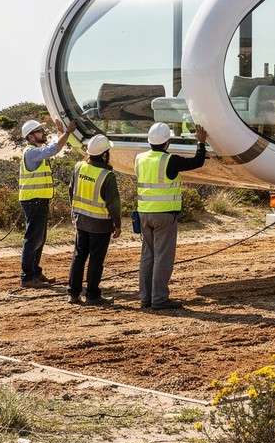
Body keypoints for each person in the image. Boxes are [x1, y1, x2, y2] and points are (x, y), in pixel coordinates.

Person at [135, 121, 208, 310]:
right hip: (164, 216)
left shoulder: (140, 159)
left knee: (147, 256)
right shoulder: (170, 160)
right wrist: (201, 142)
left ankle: (146, 298)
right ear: (167, 143)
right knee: (162, 257)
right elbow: (197, 162)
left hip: (144, 214)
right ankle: (159, 299)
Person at [18, 117, 75, 288]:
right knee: (32, 239)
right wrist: (67, 132)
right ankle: (27, 277)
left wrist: (61, 133)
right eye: (40, 131)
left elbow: (53, 148)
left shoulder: (36, 150)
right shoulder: (31, 152)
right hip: (33, 201)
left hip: (38, 201)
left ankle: (34, 272)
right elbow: (54, 149)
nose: (43, 133)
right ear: (30, 136)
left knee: (39, 239)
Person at [67, 134, 121, 306]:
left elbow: (71, 190)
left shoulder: (78, 167)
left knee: (79, 256)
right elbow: (114, 204)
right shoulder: (107, 175)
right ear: (105, 154)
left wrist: (75, 212)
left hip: (80, 220)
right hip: (100, 224)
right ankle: (92, 295)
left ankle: (73, 294)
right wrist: (117, 224)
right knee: (96, 259)